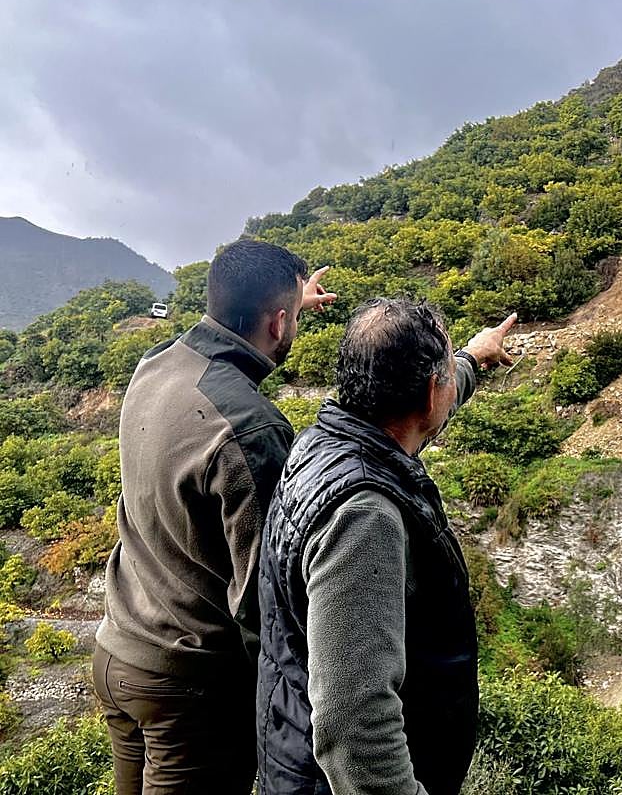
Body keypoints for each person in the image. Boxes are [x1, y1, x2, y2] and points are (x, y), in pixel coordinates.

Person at [93, 239, 336, 794]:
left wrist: (287, 300)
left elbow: (220, 383)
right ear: (278, 324)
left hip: (118, 652)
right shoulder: (250, 429)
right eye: (291, 317)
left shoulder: (154, 365)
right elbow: (264, 598)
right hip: (187, 689)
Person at [256, 297, 516, 795]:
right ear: (427, 394)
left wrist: (474, 357)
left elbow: (437, 396)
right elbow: (355, 725)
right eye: (444, 375)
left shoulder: (324, 441)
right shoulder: (363, 517)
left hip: (292, 745)